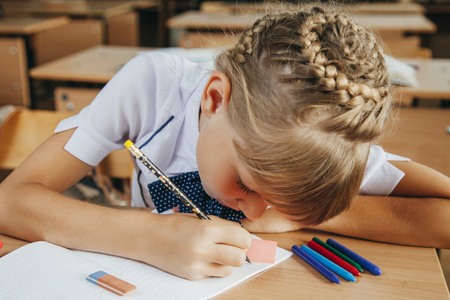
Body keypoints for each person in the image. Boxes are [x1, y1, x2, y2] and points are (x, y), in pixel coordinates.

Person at [0, 6, 449, 281]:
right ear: (215, 98)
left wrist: (305, 210)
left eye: (276, 198)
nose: (255, 212)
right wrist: (149, 236)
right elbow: (12, 201)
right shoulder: (150, 88)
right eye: (248, 184)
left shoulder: (325, 140)